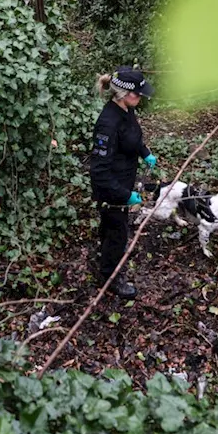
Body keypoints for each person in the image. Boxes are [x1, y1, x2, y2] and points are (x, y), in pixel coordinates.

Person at [89, 66, 158, 300]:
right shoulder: (107, 124)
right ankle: (110, 277)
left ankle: (104, 249)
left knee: (113, 229)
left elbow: (133, 137)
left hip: (124, 180)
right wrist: (123, 195)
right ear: (125, 94)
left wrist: (145, 152)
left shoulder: (127, 111)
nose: (141, 97)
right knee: (118, 232)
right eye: (138, 94)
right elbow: (99, 171)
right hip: (112, 190)